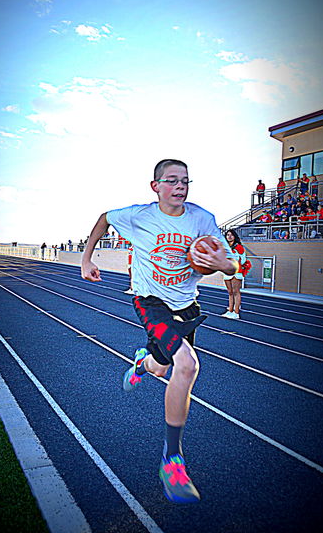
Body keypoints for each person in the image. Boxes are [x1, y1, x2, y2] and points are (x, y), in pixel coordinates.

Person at [81, 159, 237, 504]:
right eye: (172, 181)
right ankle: (172, 460)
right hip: (150, 301)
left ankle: (143, 363)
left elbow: (230, 264)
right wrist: (86, 259)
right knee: (187, 365)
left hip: (186, 305)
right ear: (156, 186)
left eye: (185, 181)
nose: (180, 187)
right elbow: (104, 218)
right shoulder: (139, 216)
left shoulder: (202, 219)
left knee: (163, 367)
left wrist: (220, 264)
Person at [222, 229, 247, 319]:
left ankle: (236, 312)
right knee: (230, 292)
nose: (229, 236)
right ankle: (230, 310)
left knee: (236, 292)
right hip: (227, 271)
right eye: (228, 235)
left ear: (234, 236)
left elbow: (243, 260)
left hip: (236, 271)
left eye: (231, 235)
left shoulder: (239, 247)